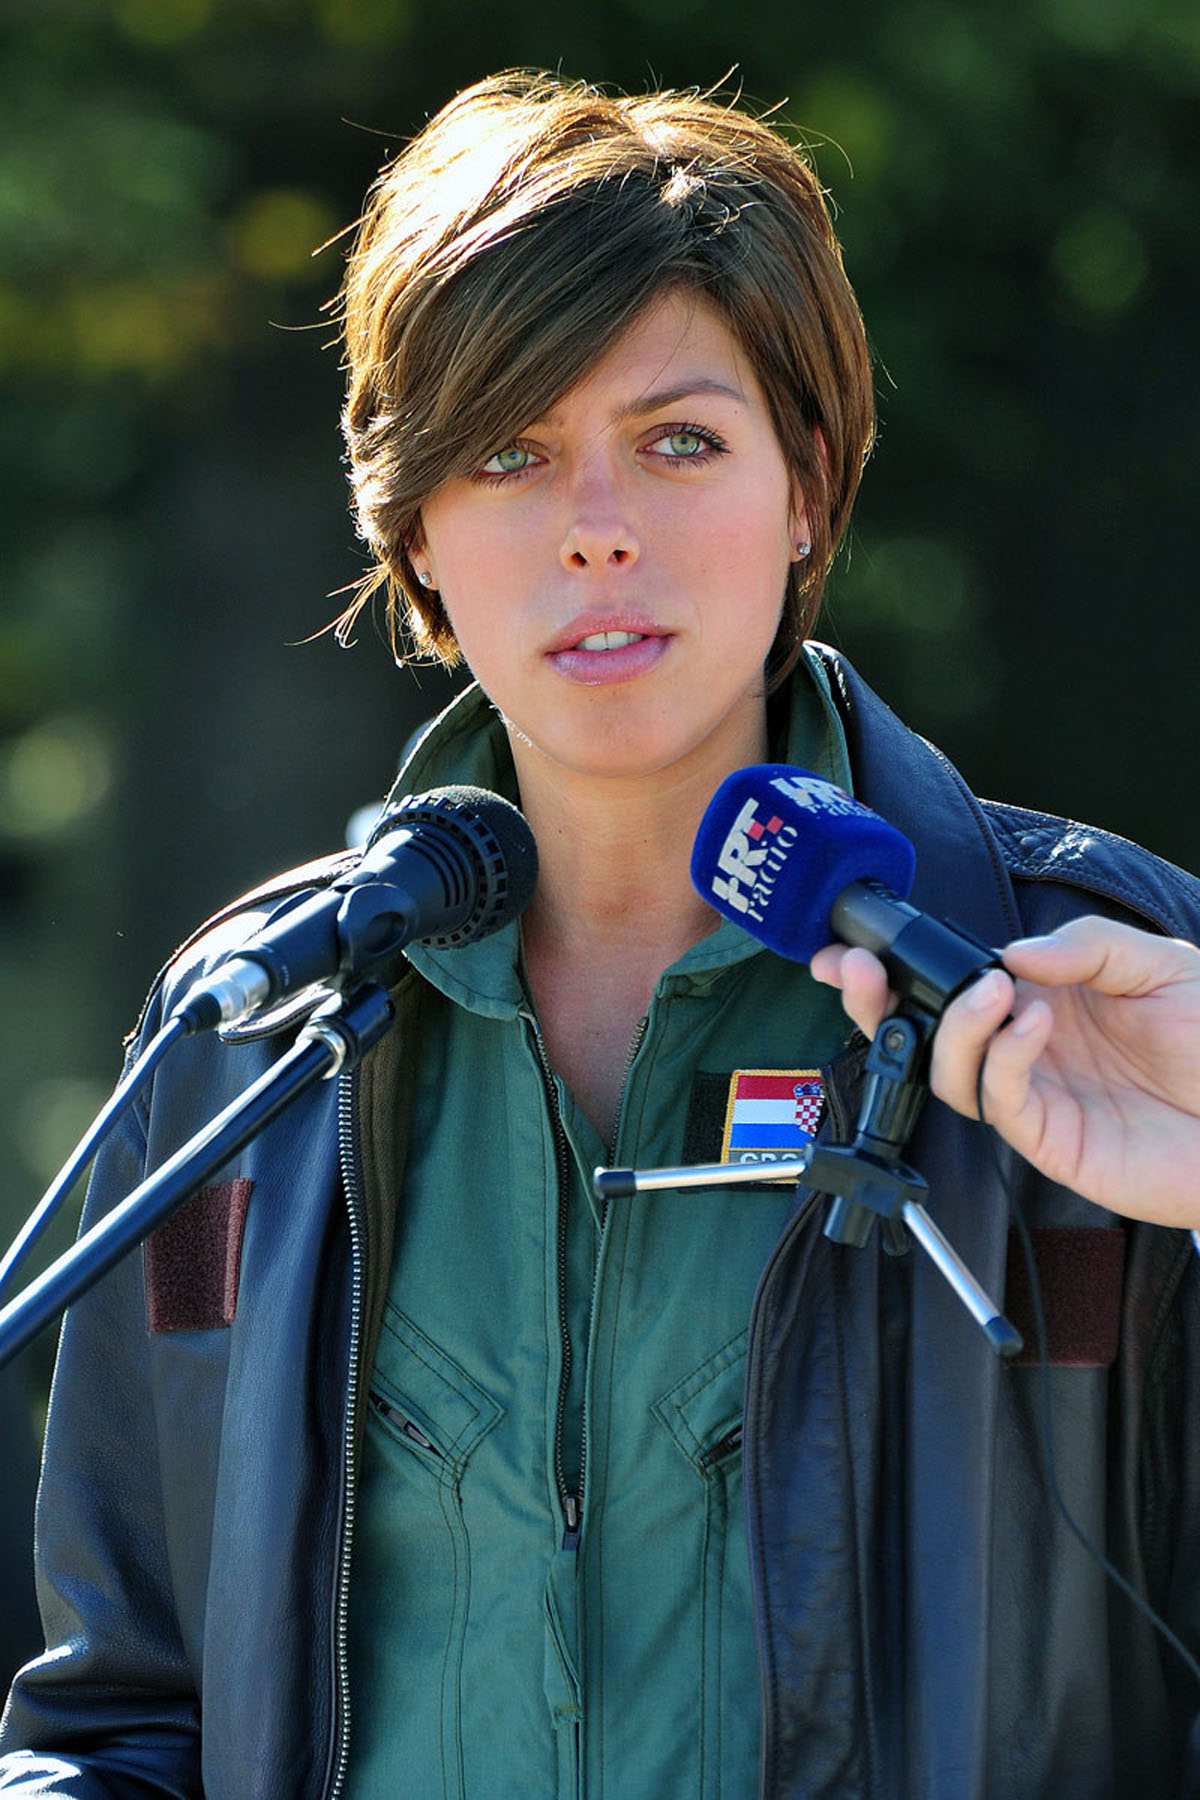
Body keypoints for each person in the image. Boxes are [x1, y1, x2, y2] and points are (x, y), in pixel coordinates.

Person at [2, 69, 1200, 1800]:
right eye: (509, 452)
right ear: (414, 528)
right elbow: (118, 1723)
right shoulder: (245, 1035)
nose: (598, 527)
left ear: (809, 484)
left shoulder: (1105, 989)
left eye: (680, 441)